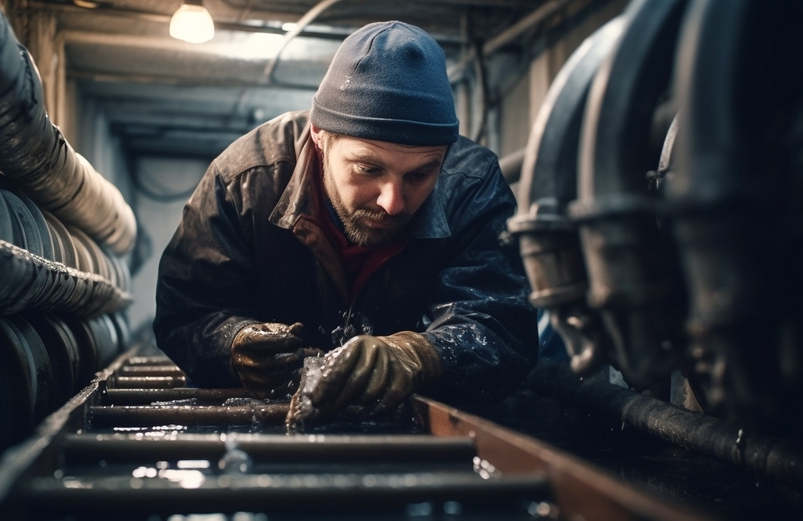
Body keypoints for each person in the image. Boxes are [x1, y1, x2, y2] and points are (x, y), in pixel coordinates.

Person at [153, 20, 537, 421]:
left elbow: (504, 329)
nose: (393, 203)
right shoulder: (243, 181)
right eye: (368, 169)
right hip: (259, 432)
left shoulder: (472, 187)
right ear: (320, 136)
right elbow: (185, 311)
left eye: (420, 175)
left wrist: (418, 355)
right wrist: (233, 344)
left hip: (417, 446)